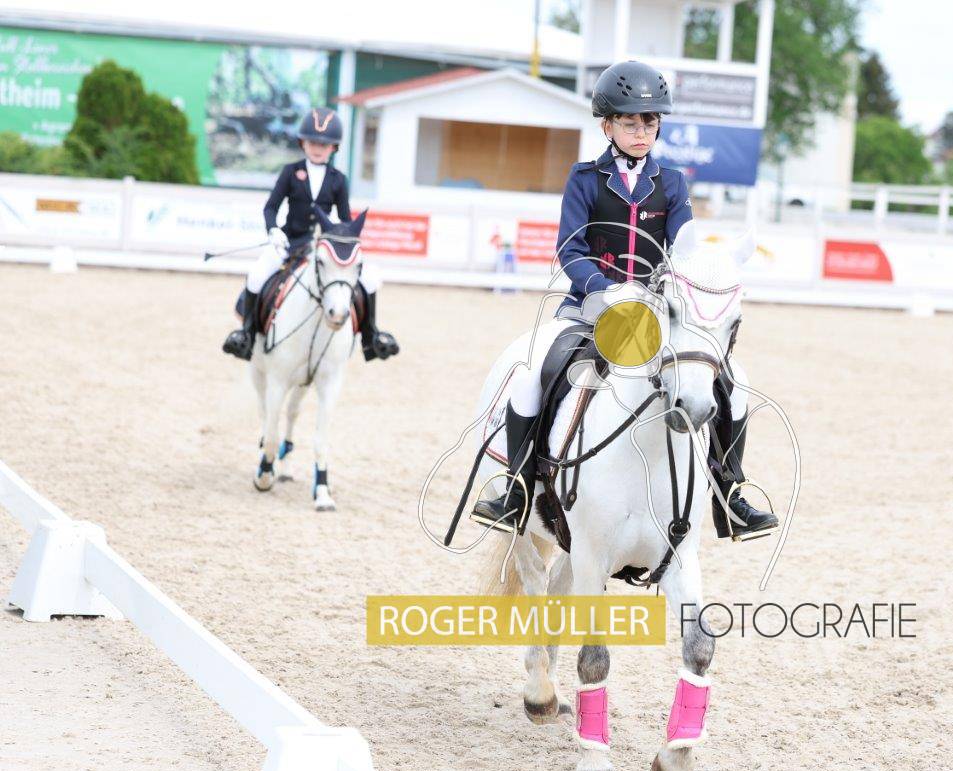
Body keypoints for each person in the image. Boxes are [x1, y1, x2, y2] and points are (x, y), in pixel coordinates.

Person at [471, 60, 777, 541]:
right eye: (630, 123)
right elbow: (570, 248)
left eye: (649, 123)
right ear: (607, 126)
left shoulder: (671, 182)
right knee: (532, 376)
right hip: (590, 304)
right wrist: (602, 288)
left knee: (733, 381)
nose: (641, 133)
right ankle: (518, 488)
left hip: (654, 312)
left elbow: (683, 250)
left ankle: (729, 493)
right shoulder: (584, 178)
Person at [222, 107, 399, 362]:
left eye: (324, 144)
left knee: (369, 278)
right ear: (303, 143)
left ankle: (371, 336)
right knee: (257, 274)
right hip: (290, 242)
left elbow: (346, 219)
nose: (318, 148)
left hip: (323, 247)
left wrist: (342, 238)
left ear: (333, 148)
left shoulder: (338, 180)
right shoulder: (290, 172)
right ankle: (247, 334)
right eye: (313, 142)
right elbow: (271, 207)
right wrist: (273, 230)